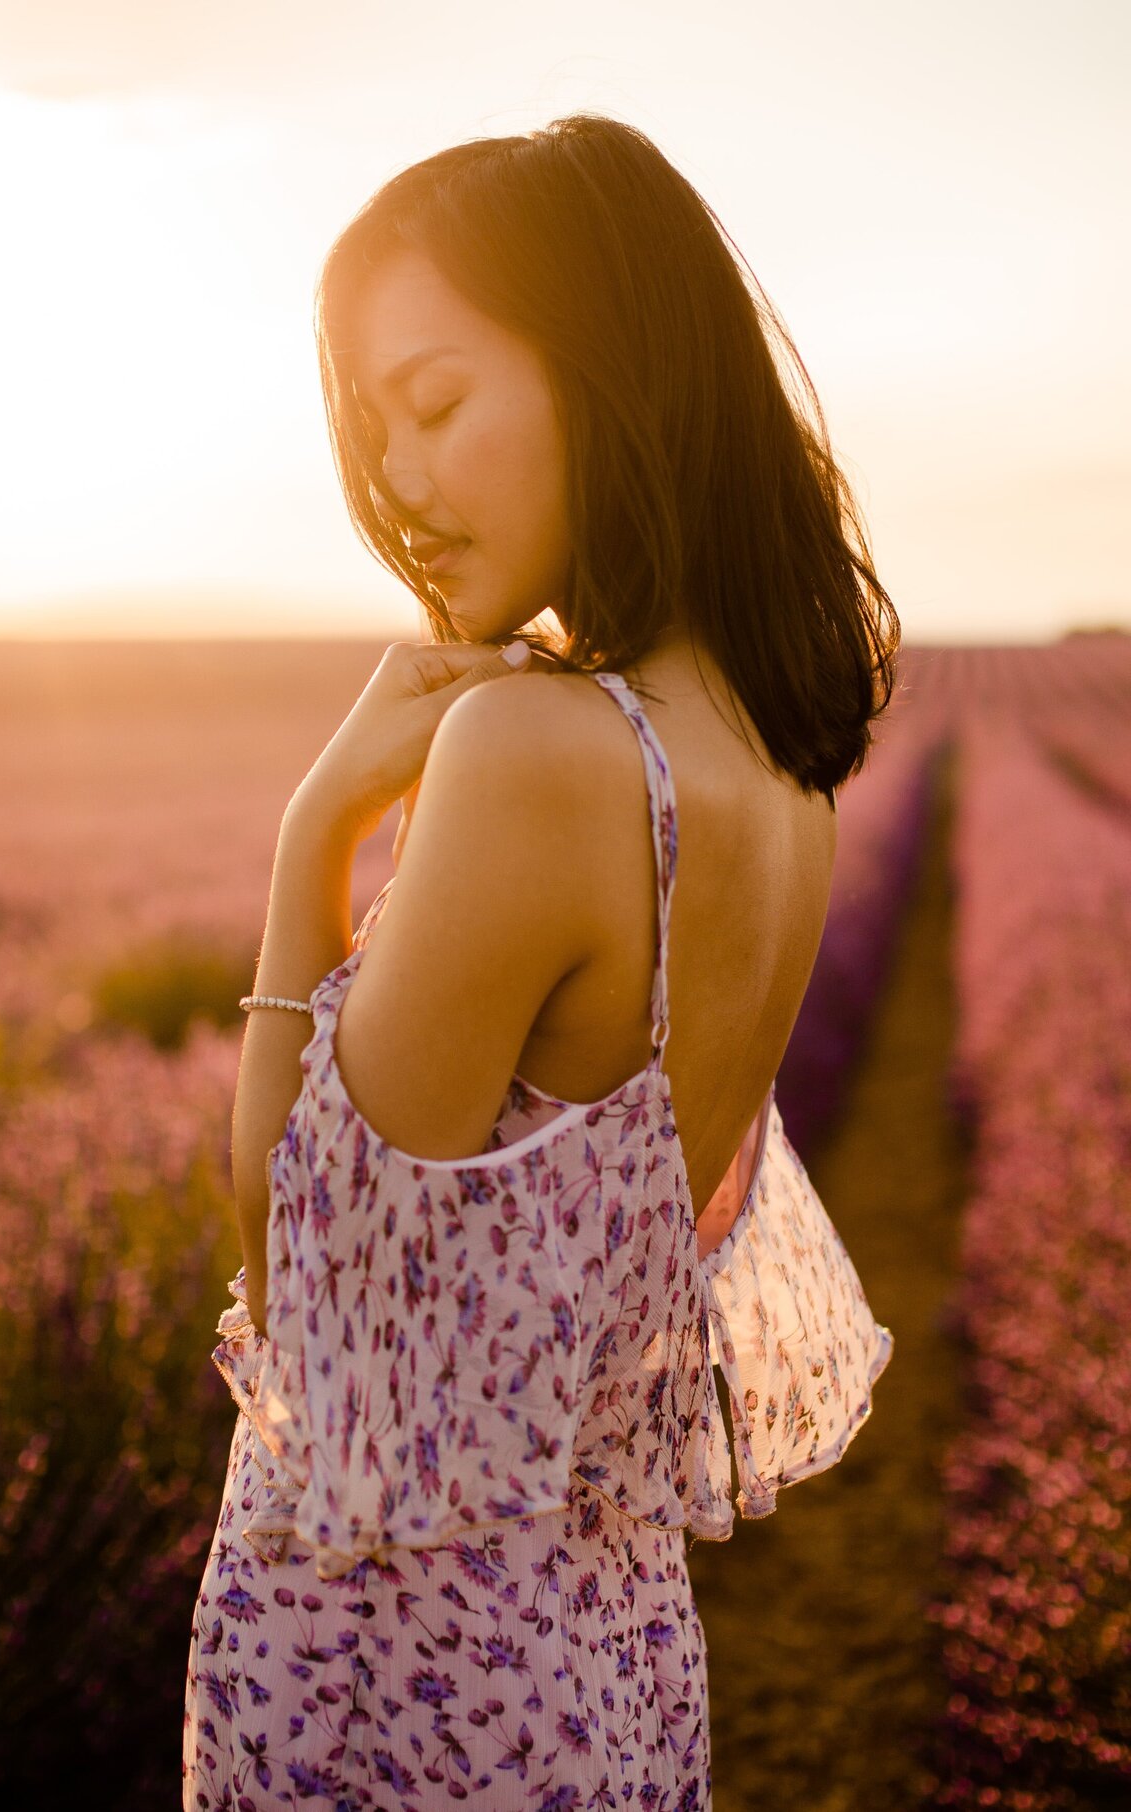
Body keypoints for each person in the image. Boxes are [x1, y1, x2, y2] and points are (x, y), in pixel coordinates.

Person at [183, 113, 898, 1810]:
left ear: (614, 368)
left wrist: (315, 829)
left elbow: (306, 1287)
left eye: (435, 404)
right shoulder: (775, 773)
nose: (401, 486)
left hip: (405, 1691)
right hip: (610, 1661)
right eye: (374, 430)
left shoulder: (538, 753)